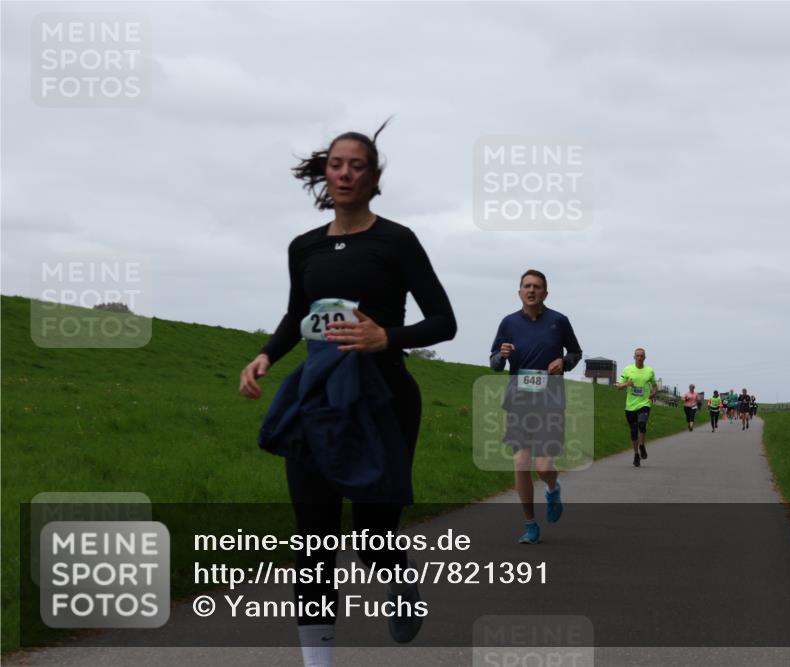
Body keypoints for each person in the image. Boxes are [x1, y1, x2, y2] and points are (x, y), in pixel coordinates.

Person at [239, 121, 457, 664]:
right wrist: (266, 355)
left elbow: (444, 321)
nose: (344, 173)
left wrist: (387, 337)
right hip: (318, 397)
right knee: (312, 540)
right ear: (324, 173)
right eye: (336, 164)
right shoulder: (304, 247)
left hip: (382, 398)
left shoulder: (397, 241)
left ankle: (397, 578)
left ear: (374, 178)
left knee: (370, 537)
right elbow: (297, 314)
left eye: (357, 166)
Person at [490, 270, 582, 544]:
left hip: (549, 401)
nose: (531, 290)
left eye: (537, 286)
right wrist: (501, 356)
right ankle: (530, 525)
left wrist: (564, 362)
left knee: (542, 467)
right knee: (520, 463)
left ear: (545, 293)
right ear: (519, 291)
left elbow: (575, 352)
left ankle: (552, 488)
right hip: (518, 401)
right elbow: (494, 363)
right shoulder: (508, 323)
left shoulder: (559, 321)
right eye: (527, 286)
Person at [614, 348, 657, 467]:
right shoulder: (628, 370)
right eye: (637, 356)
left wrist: (654, 393)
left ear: (645, 358)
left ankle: (642, 445)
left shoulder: (649, 371)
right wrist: (626, 384)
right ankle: (636, 454)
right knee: (633, 432)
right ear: (634, 357)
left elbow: (654, 385)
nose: (639, 358)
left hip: (644, 403)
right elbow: (618, 386)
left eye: (642, 356)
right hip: (630, 406)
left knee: (642, 424)